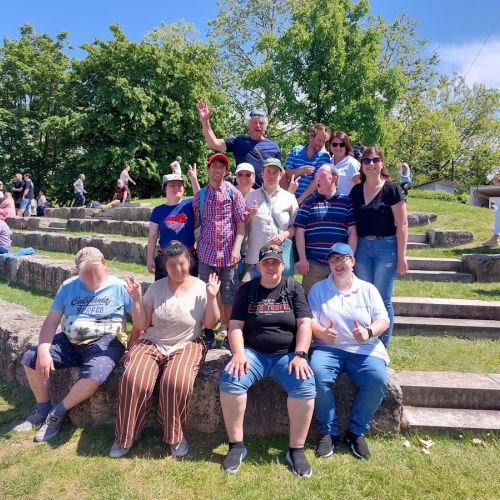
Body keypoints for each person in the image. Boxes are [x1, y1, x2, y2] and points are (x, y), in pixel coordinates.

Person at [110, 242, 221, 458]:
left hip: (187, 342)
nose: (178, 269)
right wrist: (136, 299)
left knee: (176, 382)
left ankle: (174, 435)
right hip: (153, 341)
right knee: (134, 378)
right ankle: (126, 436)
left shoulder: (202, 287)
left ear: (189, 262)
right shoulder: (156, 287)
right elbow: (142, 324)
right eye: (172, 265)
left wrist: (212, 297)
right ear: (165, 266)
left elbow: (210, 324)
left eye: (182, 263)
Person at [11, 247, 131, 441]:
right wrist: (43, 350)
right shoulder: (68, 286)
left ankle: (57, 413)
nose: (91, 275)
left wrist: (138, 300)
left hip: (106, 343)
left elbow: (141, 320)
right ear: (77, 270)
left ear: (104, 264)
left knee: (95, 375)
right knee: (31, 358)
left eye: (95, 269)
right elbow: (51, 322)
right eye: (85, 271)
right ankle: (42, 408)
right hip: (70, 341)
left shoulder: (119, 287)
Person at [219, 245, 316, 477]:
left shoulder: (293, 288)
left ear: (283, 265)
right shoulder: (248, 289)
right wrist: (239, 354)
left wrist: (301, 354)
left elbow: (304, 323)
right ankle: (236, 446)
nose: (271, 266)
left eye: (275, 262)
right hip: (254, 353)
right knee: (231, 380)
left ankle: (296, 450)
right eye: (266, 262)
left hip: (287, 355)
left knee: (305, 385)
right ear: (259, 266)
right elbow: (235, 325)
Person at [308, 243, 389, 460]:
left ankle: (356, 432)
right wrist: (322, 333)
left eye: (342, 258)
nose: (337, 264)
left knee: (377, 379)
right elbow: (310, 321)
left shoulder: (368, 289)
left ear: (353, 261)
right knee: (316, 375)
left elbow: (383, 320)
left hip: (364, 349)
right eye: (333, 260)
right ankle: (329, 431)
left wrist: (369, 332)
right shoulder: (318, 289)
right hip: (328, 348)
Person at [349, 147, 408, 347]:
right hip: (362, 248)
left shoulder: (392, 189)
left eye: (375, 160)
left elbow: (402, 225)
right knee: (365, 297)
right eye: (367, 160)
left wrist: (401, 256)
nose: (371, 164)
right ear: (362, 165)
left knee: (382, 299)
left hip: (386, 248)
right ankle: (366, 342)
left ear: (382, 163)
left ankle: (382, 347)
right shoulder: (356, 191)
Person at [192, 153, 247, 346]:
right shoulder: (200, 196)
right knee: (206, 293)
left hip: (229, 254)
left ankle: (229, 331)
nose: (218, 170)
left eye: (222, 167)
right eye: (214, 166)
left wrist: (236, 250)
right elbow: (195, 223)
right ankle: (208, 331)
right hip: (206, 253)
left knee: (230, 295)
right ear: (208, 169)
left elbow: (241, 226)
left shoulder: (234, 194)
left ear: (226, 171)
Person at [294, 164, 357, 295]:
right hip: (313, 264)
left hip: (339, 263)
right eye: (316, 176)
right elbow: (300, 231)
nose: (317, 179)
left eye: (322, 176)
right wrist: (302, 258)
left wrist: (349, 258)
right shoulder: (309, 202)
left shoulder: (346, 202)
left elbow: (352, 232)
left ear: (334, 178)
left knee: (340, 299)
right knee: (311, 300)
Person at [197, 101, 281, 187]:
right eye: (255, 122)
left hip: (266, 192)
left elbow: (280, 172)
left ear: (265, 126)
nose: (258, 125)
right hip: (242, 192)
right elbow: (213, 143)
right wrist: (205, 121)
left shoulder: (274, 147)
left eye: (261, 123)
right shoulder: (238, 142)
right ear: (249, 124)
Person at [244, 158, 298, 281]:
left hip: (281, 258)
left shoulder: (289, 197)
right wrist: (250, 215)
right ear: (262, 174)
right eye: (268, 171)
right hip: (257, 259)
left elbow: (297, 226)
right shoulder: (250, 196)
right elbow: (242, 225)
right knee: (256, 292)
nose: (271, 175)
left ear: (281, 174)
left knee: (283, 292)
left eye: (275, 172)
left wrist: (284, 235)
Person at [147, 173, 198, 281]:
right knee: (163, 290)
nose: (177, 187)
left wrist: (193, 179)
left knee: (188, 289)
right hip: (165, 259)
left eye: (180, 184)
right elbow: (152, 236)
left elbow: (200, 198)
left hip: (188, 258)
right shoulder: (158, 210)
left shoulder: (190, 204)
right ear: (165, 189)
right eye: (172, 185)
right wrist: (150, 258)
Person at [284, 123, 331, 205]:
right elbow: (287, 174)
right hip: (290, 198)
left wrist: (300, 199)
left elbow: (317, 181)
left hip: (312, 202)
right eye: (319, 140)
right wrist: (301, 170)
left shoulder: (324, 156)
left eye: (324, 141)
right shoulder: (296, 150)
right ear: (311, 137)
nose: (321, 144)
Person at [329, 131, 361, 196]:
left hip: (346, 201)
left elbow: (360, 189)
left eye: (342, 145)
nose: (338, 147)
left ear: (346, 147)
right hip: (328, 201)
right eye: (335, 144)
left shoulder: (352, 163)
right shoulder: (328, 162)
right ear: (330, 146)